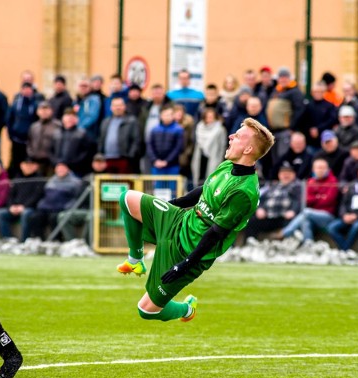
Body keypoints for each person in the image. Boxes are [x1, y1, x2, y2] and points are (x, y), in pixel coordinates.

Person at [116, 118, 275, 322]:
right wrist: (170, 205)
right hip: (180, 220)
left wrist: (184, 265)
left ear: (248, 149)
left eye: (238, 136)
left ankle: (186, 310)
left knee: (146, 310)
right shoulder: (228, 165)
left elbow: (216, 233)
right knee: (128, 199)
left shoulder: (244, 193)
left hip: (189, 250)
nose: (231, 136)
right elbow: (204, 190)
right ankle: (136, 260)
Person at [277, 157, 339, 242]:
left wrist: (315, 198)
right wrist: (320, 197)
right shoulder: (310, 182)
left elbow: (329, 200)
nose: (320, 170)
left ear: (327, 169)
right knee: (305, 220)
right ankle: (308, 244)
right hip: (311, 215)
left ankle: (285, 233)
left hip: (327, 216)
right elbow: (306, 200)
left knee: (306, 212)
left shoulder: (333, 181)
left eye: (323, 167)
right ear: (313, 169)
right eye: (318, 167)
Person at [243, 161, 301, 240]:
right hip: (269, 216)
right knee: (252, 221)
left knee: (292, 222)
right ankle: (250, 242)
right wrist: (260, 208)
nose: (286, 175)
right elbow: (262, 199)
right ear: (279, 175)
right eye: (283, 173)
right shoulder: (272, 186)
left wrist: (293, 211)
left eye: (288, 173)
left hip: (284, 217)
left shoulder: (297, 186)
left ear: (294, 175)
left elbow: (297, 201)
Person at [0, 157, 46, 241]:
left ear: (36, 166)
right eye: (26, 165)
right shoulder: (17, 178)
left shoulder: (39, 179)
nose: (28, 167)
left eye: (30, 165)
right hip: (15, 208)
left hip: (31, 208)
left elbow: (37, 196)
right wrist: (11, 206)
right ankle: (9, 240)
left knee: (26, 214)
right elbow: (10, 196)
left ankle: (24, 241)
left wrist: (24, 206)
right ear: (21, 166)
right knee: (1, 214)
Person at [97, 96, 142, 174]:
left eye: (120, 105)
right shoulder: (105, 122)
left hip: (124, 159)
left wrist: (130, 156)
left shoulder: (131, 121)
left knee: (124, 184)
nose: (118, 108)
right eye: (115, 106)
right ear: (111, 108)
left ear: (124, 106)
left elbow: (136, 140)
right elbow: (101, 139)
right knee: (109, 184)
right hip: (107, 159)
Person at [191, 107, 227, 186]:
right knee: (198, 181)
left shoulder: (220, 129)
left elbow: (223, 146)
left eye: (211, 117)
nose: (209, 119)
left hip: (214, 157)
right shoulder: (199, 128)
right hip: (200, 158)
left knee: (211, 182)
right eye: (207, 117)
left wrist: (220, 160)